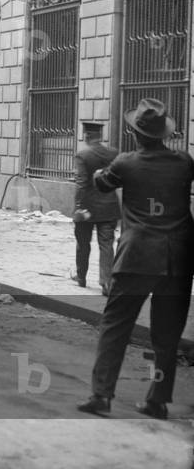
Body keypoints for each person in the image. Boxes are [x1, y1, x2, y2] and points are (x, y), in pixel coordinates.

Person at [77, 99, 194, 420]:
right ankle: (157, 400)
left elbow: (102, 184)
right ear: (165, 133)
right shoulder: (184, 161)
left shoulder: (126, 163)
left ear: (135, 134)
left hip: (137, 256)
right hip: (179, 260)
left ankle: (101, 395)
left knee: (116, 325)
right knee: (167, 333)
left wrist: (103, 170)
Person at [72, 122, 120, 295]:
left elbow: (82, 184)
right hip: (109, 207)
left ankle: (81, 277)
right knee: (107, 244)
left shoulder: (83, 155)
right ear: (100, 136)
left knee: (83, 243)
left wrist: (79, 207)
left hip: (87, 208)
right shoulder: (113, 153)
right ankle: (107, 283)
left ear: (86, 136)